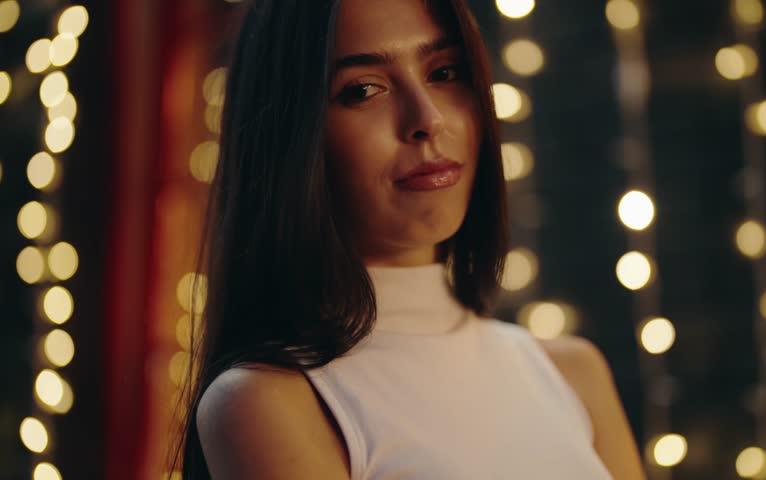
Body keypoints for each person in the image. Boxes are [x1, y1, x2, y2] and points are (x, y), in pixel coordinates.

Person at [168, 0, 646, 478]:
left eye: (445, 72)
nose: (428, 118)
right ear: (290, 136)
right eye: (363, 90)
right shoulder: (267, 401)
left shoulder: (574, 373)